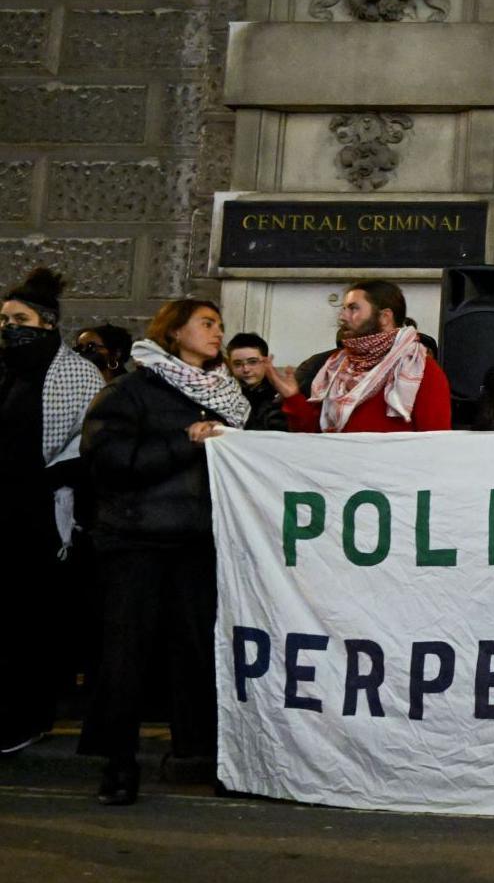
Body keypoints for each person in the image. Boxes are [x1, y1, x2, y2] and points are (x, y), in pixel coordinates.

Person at [78, 298, 250, 805]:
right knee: (128, 655)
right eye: (206, 324)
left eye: (220, 324)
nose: (218, 333)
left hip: (196, 542)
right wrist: (184, 441)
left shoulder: (227, 394)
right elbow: (109, 460)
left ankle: (198, 755)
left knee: (196, 653)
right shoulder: (132, 390)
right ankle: (119, 763)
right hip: (137, 543)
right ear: (175, 332)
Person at [0, 269, 107, 753]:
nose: (8, 327)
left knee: (31, 621)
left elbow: (80, 449)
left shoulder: (76, 375)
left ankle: (27, 716)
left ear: (45, 324)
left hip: (44, 516)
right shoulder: (7, 369)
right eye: (3, 319)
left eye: (18, 319)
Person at [264, 280, 451, 433]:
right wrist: (293, 398)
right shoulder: (335, 366)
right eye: (344, 308)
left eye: (353, 308)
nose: (343, 317)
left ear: (385, 317)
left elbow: (433, 445)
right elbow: (315, 436)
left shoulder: (419, 369)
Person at [224, 332, 288, 431]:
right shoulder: (223, 394)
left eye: (253, 362)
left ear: (266, 362)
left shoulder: (281, 393)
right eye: (237, 364)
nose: (246, 369)